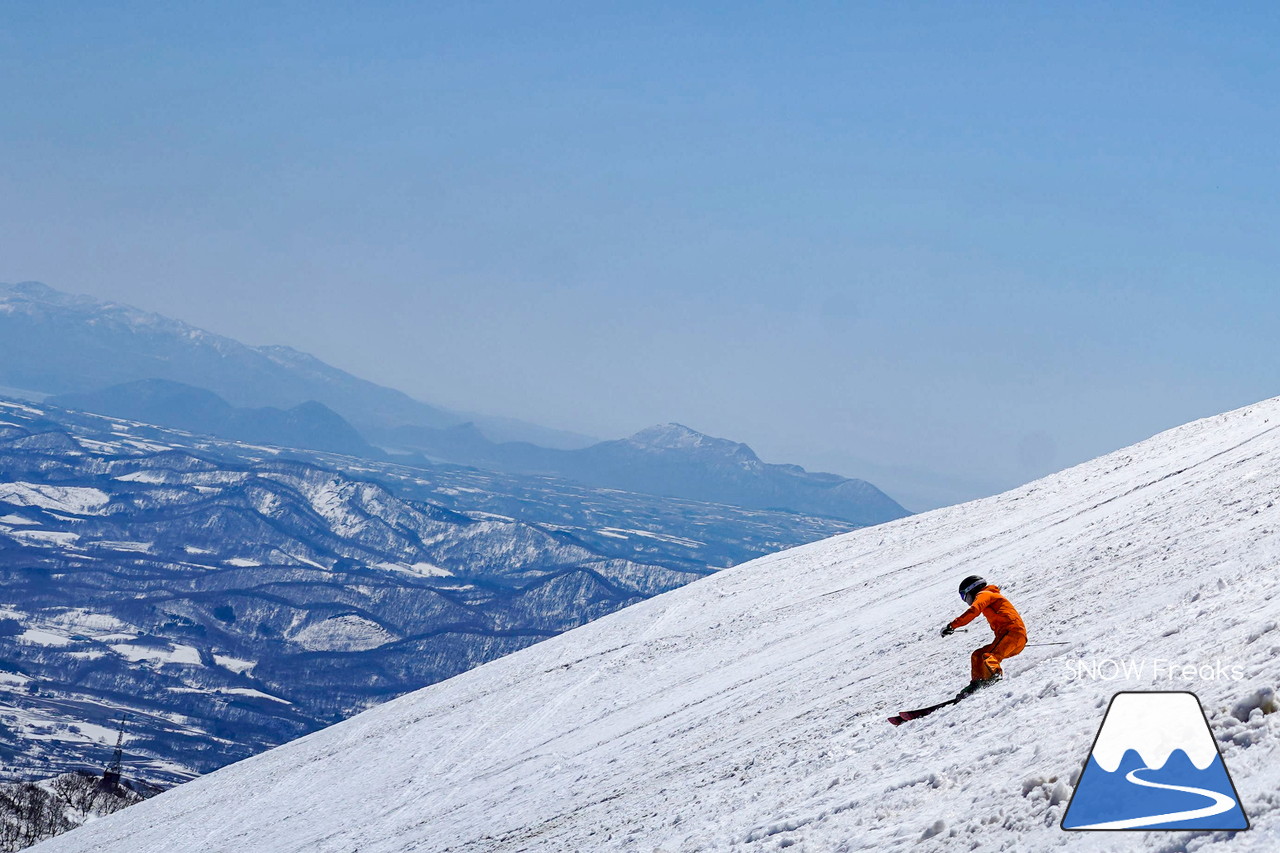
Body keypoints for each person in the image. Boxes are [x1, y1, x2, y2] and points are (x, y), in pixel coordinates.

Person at [941, 575, 1027, 698]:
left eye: (964, 596)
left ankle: (995, 677)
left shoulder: (985, 594)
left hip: (1012, 633)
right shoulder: (990, 596)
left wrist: (952, 625)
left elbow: (974, 610)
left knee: (989, 656)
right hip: (1012, 638)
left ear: (971, 590)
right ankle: (977, 683)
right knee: (977, 655)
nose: (965, 600)